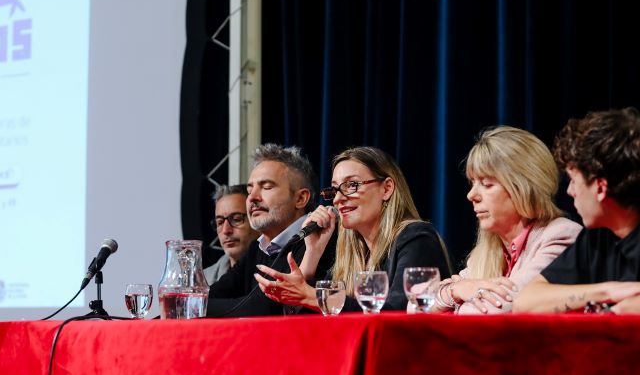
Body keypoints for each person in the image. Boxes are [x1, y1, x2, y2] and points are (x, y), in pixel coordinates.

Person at [255, 146, 451, 312]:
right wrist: (312, 254)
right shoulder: (351, 254)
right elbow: (303, 323)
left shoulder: (417, 238)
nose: (338, 199)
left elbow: (397, 313)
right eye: (335, 189)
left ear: (386, 189)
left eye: (351, 185)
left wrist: (312, 296)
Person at [431, 127, 582, 314]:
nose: (471, 195)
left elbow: (494, 311)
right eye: (472, 183)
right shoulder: (485, 253)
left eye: (487, 184)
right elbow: (416, 306)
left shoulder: (561, 235)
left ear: (523, 188)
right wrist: (455, 291)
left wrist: (458, 298)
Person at [514, 108, 640, 314]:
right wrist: (609, 291)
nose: (569, 191)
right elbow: (525, 302)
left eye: (573, 181)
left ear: (600, 188)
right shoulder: (596, 237)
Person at [207, 143, 336, 316]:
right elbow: (214, 294)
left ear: (300, 198)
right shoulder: (257, 248)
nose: (252, 198)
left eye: (266, 187)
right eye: (250, 190)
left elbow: (263, 308)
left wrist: (188, 306)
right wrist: (182, 303)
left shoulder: (319, 239)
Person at [204, 184, 258, 285]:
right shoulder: (202, 282)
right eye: (220, 222)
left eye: (236, 219)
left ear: (257, 221)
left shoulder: (278, 273)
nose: (226, 230)